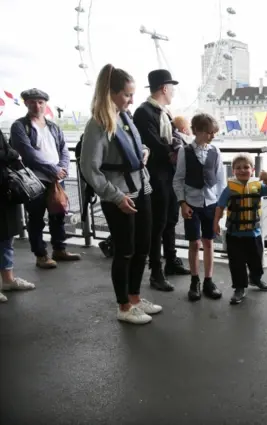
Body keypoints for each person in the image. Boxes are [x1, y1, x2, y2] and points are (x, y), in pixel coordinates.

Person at [80, 64, 161, 325]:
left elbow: (138, 144)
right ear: (110, 93)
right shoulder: (98, 125)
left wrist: (145, 152)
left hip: (141, 188)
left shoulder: (125, 118)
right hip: (120, 194)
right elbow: (89, 168)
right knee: (125, 251)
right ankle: (123, 306)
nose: (131, 100)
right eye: (126, 94)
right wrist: (115, 197)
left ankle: (135, 297)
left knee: (142, 248)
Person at [9, 88, 81, 269]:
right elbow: (27, 153)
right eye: (32, 102)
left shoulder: (52, 126)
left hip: (56, 179)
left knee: (58, 215)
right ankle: (41, 255)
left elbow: (63, 148)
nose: (37, 105)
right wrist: (53, 169)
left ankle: (59, 249)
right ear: (25, 103)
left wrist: (62, 168)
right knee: (36, 219)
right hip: (34, 180)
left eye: (40, 102)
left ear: (45, 104)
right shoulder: (19, 126)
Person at [133, 69, 190, 293]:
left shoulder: (162, 113)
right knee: (157, 225)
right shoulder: (145, 113)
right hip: (157, 177)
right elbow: (154, 144)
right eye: (172, 87)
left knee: (169, 221)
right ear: (164, 88)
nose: (174, 92)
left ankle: (171, 261)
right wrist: (177, 152)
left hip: (169, 176)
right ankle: (156, 272)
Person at [172, 113, 226, 302]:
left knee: (209, 242)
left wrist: (221, 205)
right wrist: (182, 202)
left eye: (213, 133)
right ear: (197, 131)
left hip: (211, 203)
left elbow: (221, 180)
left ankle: (208, 280)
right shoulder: (184, 151)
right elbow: (178, 179)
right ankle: (195, 280)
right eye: (209, 133)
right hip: (192, 204)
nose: (212, 136)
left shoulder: (215, 151)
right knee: (194, 243)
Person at [215, 153, 267, 304]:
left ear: (253, 170)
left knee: (256, 260)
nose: (242, 170)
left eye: (246, 167)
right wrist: (215, 222)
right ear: (233, 171)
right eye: (238, 168)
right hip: (234, 234)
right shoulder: (229, 189)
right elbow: (220, 206)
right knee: (236, 262)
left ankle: (255, 279)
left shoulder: (259, 186)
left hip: (253, 233)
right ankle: (239, 288)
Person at [0, 130, 36, 302]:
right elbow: (8, 152)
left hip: (5, 189)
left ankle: (8, 279)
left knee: (7, 236)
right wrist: (12, 153)